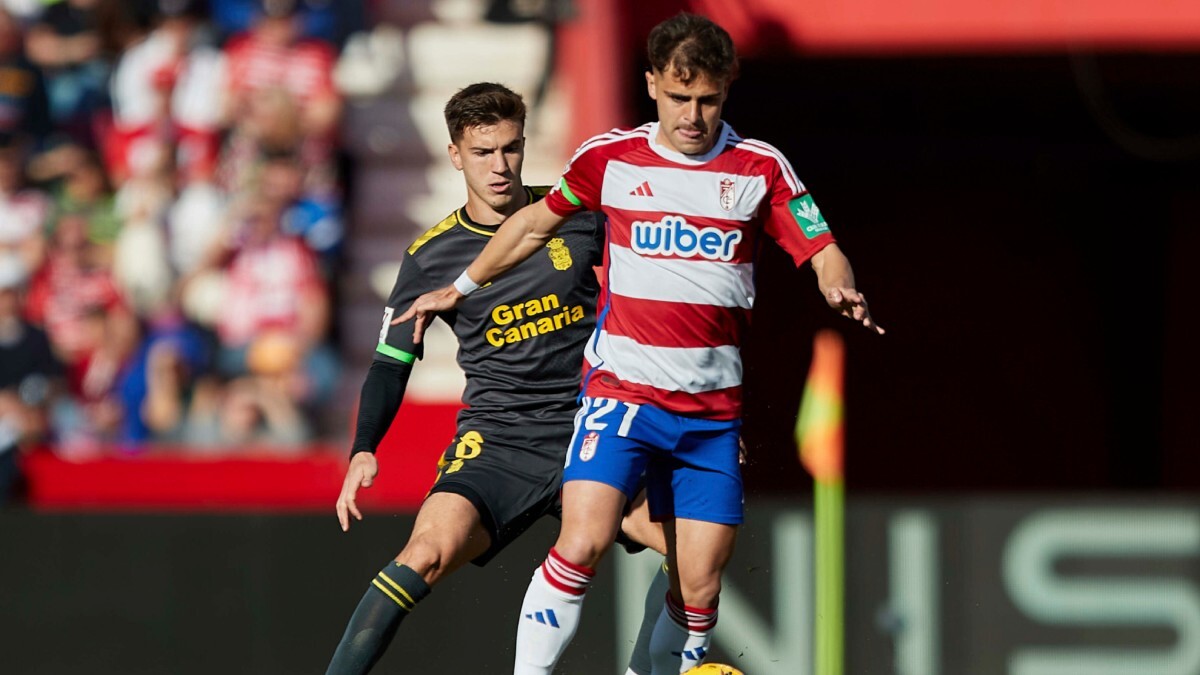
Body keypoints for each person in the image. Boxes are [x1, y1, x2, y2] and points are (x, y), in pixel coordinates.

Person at [396, 14, 884, 675]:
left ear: (727, 88)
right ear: (651, 82)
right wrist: (460, 284)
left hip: (710, 415)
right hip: (622, 394)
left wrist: (838, 283)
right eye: (679, 97)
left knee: (700, 580)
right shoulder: (610, 158)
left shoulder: (759, 168)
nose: (693, 115)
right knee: (584, 537)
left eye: (708, 99)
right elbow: (537, 224)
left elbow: (822, 247)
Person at [324, 82, 668, 675]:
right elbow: (390, 361)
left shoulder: (576, 221)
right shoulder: (430, 256)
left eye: (511, 148)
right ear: (456, 155)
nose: (500, 165)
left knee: (694, 547)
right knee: (425, 552)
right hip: (499, 440)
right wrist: (363, 449)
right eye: (483, 152)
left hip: (592, 427)